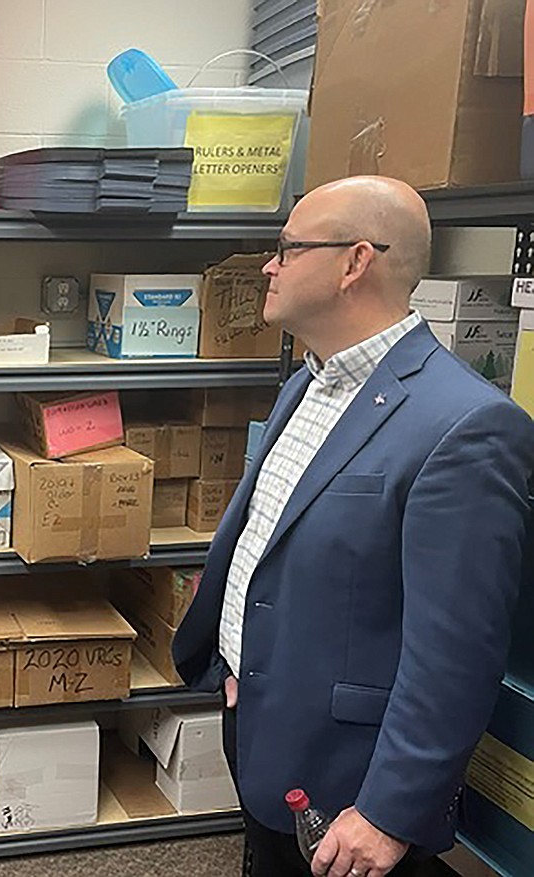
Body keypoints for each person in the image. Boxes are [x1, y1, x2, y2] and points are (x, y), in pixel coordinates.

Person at [172, 176, 534, 877]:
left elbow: (457, 653)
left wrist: (390, 811)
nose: (269, 266)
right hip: (267, 719)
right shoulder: (308, 382)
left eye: (287, 249)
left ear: (354, 262)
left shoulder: (466, 425)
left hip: (353, 779)